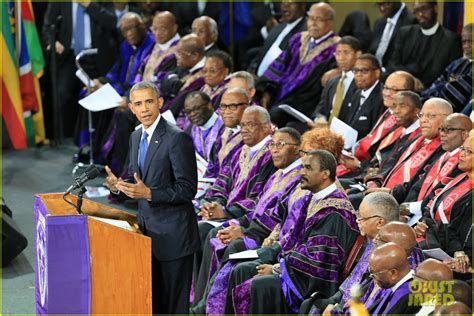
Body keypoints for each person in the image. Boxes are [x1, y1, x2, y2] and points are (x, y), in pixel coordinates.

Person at [104, 81, 199, 314]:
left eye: (149, 102)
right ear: (131, 109)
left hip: (174, 237)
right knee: (153, 304)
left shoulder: (177, 138)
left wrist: (149, 193)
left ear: (160, 103)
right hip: (146, 235)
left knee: (173, 307)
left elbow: (187, 189)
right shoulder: (136, 137)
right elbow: (137, 178)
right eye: (138, 104)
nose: (144, 108)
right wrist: (118, 186)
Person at [191, 128, 303, 314]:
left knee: (234, 245)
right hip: (252, 228)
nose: (274, 150)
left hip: (265, 237)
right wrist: (238, 224)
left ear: (297, 149)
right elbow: (257, 206)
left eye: (280, 145)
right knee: (216, 234)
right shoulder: (278, 174)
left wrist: (244, 231)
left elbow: (278, 219)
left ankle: (209, 308)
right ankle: (202, 303)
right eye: (272, 145)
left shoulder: (298, 178)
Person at [233, 150, 359, 314]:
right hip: (296, 270)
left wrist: (277, 269)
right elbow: (294, 239)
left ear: (325, 174)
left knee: (260, 283)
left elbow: (318, 260)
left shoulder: (334, 211)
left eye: (307, 168)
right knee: (242, 269)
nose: (302, 172)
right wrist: (276, 260)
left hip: (312, 282)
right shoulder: (314, 198)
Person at [302, 192, 400, 314]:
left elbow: (371, 299)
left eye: (362, 218)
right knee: (309, 304)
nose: (357, 221)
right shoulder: (373, 241)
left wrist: (336, 309)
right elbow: (352, 281)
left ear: (379, 222)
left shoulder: (393, 254)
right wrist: (333, 301)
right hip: (346, 301)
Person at [82, 13, 155, 175]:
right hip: (122, 88)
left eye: (132, 28)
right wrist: (102, 81)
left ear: (142, 26)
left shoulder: (151, 47)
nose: (129, 33)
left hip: (135, 92)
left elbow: (144, 80)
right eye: (125, 30)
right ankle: (89, 148)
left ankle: (113, 165)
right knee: (88, 92)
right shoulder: (126, 45)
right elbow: (116, 69)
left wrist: (128, 97)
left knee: (120, 111)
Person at [42, 1, 118, 138]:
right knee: (63, 94)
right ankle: (66, 138)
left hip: (95, 56)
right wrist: (52, 41)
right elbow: (48, 26)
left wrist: (89, 5)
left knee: (96, 95)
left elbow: (112, 21)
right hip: (69, 55)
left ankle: (95, 139)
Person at [256, 3, 339, 127]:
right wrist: (266, 90)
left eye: (319, 19)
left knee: (275, 115)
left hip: (307, 103)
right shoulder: (297, 39)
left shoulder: (337, 47)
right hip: (280, 96)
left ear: (330, 22)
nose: (313, 23)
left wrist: (338, 70)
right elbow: (277, 68)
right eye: (311, 18)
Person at [414, 135, 472, 273]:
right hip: (435, 239)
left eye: (469, 152)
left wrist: (429, 225)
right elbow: (430, 204)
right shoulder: (458, 177)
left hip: (452, 257)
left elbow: (459, 232)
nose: (462, 154)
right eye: (462, 149)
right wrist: (422, 224)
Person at [341, 71, 416, 172]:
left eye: (394, 89)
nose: (387, 93)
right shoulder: (388, 111)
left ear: (409, 93)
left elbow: (387, 163)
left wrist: (359, 165)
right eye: (386, 88)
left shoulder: (406, 122)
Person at [394, 113, 471, 205]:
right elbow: (417, 185)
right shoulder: (442, 154)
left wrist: (408, 210)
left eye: (448, 130)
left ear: (464, 134)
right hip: (413, 207)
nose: (442, 134)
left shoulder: (465, 162)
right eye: (441, 129)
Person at [386, 1, 462, 87]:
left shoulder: (451, 40)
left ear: (435, 8)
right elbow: (392, 63)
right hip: (402, 85)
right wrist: (410, 80)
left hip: (432, 91)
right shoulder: (405, 33)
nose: (420, 14)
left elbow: (453, 75)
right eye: (416, 11)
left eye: (424, 9)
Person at [311, 36, 361, 128]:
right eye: (338, 53)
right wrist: (319, 118)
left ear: (358, 54)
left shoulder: (361, 83)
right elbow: (320, 109)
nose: (341, 58)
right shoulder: (332, 81)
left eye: (346, 53)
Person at [421, 24, 473, 112]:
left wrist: (440, 88)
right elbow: (435, 85)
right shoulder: (457, 63)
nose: (466, 46)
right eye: (464, 42)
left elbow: (453, 95)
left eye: (471, 41)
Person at [248, 1, 307, 76]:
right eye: (283, 3)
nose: (285, 6)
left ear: (302, 6)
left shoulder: (305, 32)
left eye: (291, 3)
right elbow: (261, 54)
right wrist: (250, 73)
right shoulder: (277, 28)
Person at [338, 54, 384, 140]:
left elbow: (375, 135)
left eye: (364, 71)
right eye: (355, 70)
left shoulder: (382, 98)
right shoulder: (357, 93)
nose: (358, 75)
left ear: (377, 73)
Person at [365, 243, 418, 315]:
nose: (372, 277)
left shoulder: (411, 299)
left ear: (393, 273)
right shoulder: (395, 286)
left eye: (374, 273)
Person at [160, 34, 206, 116]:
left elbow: (178, 105)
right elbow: (165, 77)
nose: (176, 56)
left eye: (180, 53)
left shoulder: (201, 78)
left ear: (194, 56)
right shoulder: (185, 64)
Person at [133, 11, 180, 85]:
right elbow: (141, 69)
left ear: (174, 28)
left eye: (162, 29)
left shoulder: (180, 50)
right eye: (154, 29)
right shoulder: (155, 45)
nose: (157, 33)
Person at [184, 91, 224, 175]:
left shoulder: (225, 127)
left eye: (197, 109)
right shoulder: (190, 130)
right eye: (188, 111)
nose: (193, 114)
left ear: (209, 105)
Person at [368, 1, 417, 69]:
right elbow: (372, 51)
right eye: (378, 4)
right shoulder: (379, 22)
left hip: (394, 72)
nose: (382, 8)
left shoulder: (412, 21)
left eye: (387, 3)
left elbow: (405, 58)